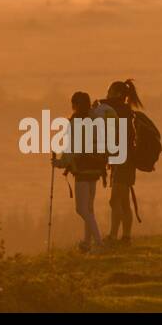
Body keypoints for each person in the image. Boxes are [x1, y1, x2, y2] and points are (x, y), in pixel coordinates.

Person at [52, 91, 109, 252]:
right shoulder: (95, 119)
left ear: (75, 105)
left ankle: (99, 243)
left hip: (82, 170)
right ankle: (87, 243)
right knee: (89, 209)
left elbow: (72, 149)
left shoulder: (75, 122)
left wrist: (60, 163)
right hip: (96, 169)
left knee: (81, 209)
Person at [99, 78, 142, 245]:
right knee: (123, 201)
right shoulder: (124, 110)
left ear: (116, 94)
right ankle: (126, 238)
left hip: (123, 161)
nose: (106, 94)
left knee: (115, 200)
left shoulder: (118, 110)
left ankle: (113, 236)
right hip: (125, 160)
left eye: (109, 91)